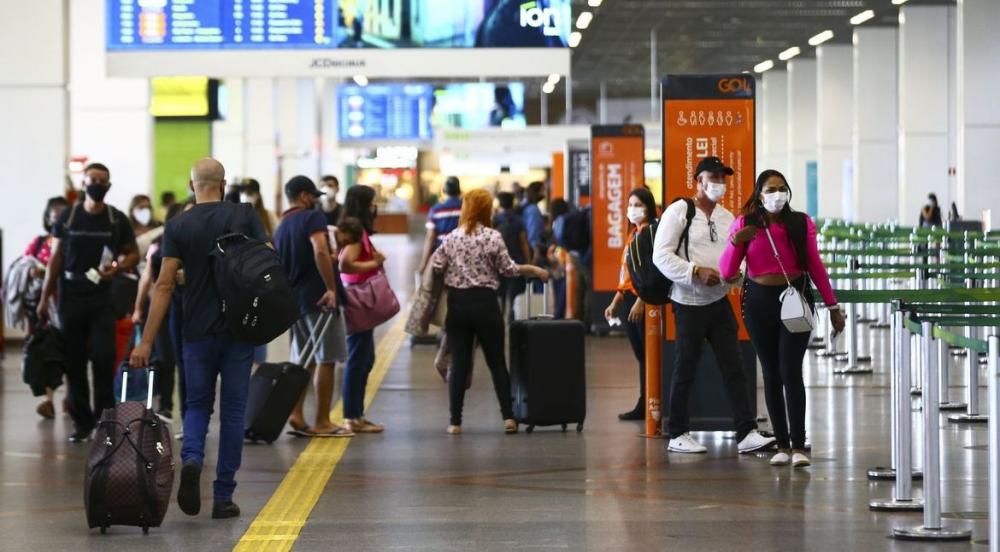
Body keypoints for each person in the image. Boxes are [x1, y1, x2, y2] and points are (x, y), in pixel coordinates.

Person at [130, 158, 267, 519]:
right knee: (234, 411)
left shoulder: (177, 225)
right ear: (223, 184)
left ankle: (191, 460)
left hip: (196, 330)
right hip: (240, 328)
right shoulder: (245, 215)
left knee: (197, 406)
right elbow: (268, 263)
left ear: (192, 187)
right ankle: (223, 496)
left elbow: (161, 285)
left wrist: (145, 341)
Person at [721, 170, 845, 468]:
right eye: (770, 189)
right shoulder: (745, 223)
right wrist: (736, 241)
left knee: (791, 371)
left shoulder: (801, 223)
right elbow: (727, 272)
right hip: (758, 302)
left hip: (795, 300)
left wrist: (832, 306)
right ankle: (782, 443)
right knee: (771, 373)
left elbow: (815, 264)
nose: (776, 194)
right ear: (759, 195)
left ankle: (799, 445)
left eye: (781, 188)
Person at [651, 156, 774, 455]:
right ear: (699, 180)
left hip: (718, 302)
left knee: (734, 367)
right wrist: (695, 271)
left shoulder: (726, 217)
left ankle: (745, 432)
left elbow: (739, 258)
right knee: (686, 368)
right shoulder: (680, 211)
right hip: (688, 303)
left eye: (723, 178)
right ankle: (677, 432)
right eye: (713, 177)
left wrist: (735, 276)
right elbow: (661, 256)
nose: (719, 183)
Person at [430, 189, 549, 435]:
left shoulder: (452, 237)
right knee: (496, 362)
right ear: (486, 209)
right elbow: (508, 269)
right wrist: (535, 270)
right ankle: (508, 418)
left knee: (460, 363)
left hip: (458, 305)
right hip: (486, 304)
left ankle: (455, 422)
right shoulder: (492, 237)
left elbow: (437, 266)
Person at [37, 163, 139, 443]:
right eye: (92, 179)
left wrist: (117, 266)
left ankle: (105, 420)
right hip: (70, 296)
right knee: (75, 361)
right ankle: (82, 423)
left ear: (108, 185)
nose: (97, 184)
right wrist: (45, 297)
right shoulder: (68, 217)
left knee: (105, 358)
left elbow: (133, 254)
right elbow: (55, 258)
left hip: (102, 296)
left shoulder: (116, 219)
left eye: (102, 180)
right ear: (83, 183)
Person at [273, 176, 353, 437]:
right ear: (305, 196)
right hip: (319, 298)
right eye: (314, 196)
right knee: (326, 359)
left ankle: (295, 414)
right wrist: (330, 288)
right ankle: (322, 421)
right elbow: (319, 250)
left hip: (294, 300)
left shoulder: (282, 225)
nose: (317, 201)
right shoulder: (312, 218)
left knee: (303, 361)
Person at [131, 201, 193, 421]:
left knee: (187, 364)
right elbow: (147, 278)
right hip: (161, 308)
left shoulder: (200, 242)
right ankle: (165, 404)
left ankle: (188, 415)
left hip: (190, 308)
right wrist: (138, 309)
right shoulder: (159, 244)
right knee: (165, 358)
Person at [338, 184, 388, 434]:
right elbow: (345, 264)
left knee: (365, 356)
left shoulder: (354, 226)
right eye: (371, 202)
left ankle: (356, 414)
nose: (374, 207)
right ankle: (351, 416)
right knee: (359, 357)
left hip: (357, 297)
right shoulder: (354, 227)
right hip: (357, 298)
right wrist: (374, 262)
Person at [604, 188, 656, 421]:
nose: (632, 209)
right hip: (628, 301)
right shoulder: (633, 234)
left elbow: (653, 273)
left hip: (641, 303)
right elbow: (626, 273)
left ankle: (651, 401)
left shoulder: (651, 234)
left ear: (649, 207)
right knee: (641, 356)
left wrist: (641, 301)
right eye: (630, 204)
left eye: (638, 204)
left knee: (648, 355)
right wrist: (616, 300)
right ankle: (644, 401)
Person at [21, 196, 70, 419]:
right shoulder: (38, 242)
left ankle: (72, 397)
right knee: (47, 352)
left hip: (68, 304)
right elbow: (23, 266)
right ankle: (48, 400)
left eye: (62, 214)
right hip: (42, 308)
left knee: (70, 352)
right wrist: (33, 272)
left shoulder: (73, 241)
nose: (57, 219)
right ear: (47, 218)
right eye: (54, 215)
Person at [493, 191, 531, 321]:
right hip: (516, 261)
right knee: (514, 295)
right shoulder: (518, 220)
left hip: (498, 263)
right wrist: (528, 262)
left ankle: (500, 319)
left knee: (500, 295)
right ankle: (512, 320)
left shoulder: (495, 219)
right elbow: (523, 242)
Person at [418, 176, 462, 274]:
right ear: (459, 191)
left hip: (441, 253)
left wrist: (424, 263)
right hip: (462, 253)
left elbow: (430, 237)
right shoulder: (466, 208)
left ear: (444, 191)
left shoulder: (436, 209)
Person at [522, 181, 546, 266]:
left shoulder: (526, 206)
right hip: (533, 251)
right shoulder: (533, 210)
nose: (545, 193)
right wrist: (536, 255)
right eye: (543, 190)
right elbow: (533, 232)